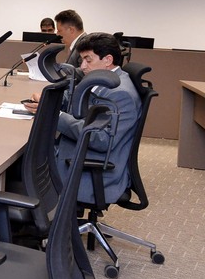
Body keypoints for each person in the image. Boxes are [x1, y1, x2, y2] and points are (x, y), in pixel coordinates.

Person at [24, 33, 140, 204]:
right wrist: (48, 99)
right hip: (76, 152)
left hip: (90, 169)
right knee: (25, 158)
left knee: (23, 168)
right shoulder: (103, 79)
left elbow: (101, 139)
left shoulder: (120, 94)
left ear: (108, 60)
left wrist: (56, 115)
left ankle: (39, 217)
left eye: (88, 60)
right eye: (82, 60)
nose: (83, 66)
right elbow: (76, 98)